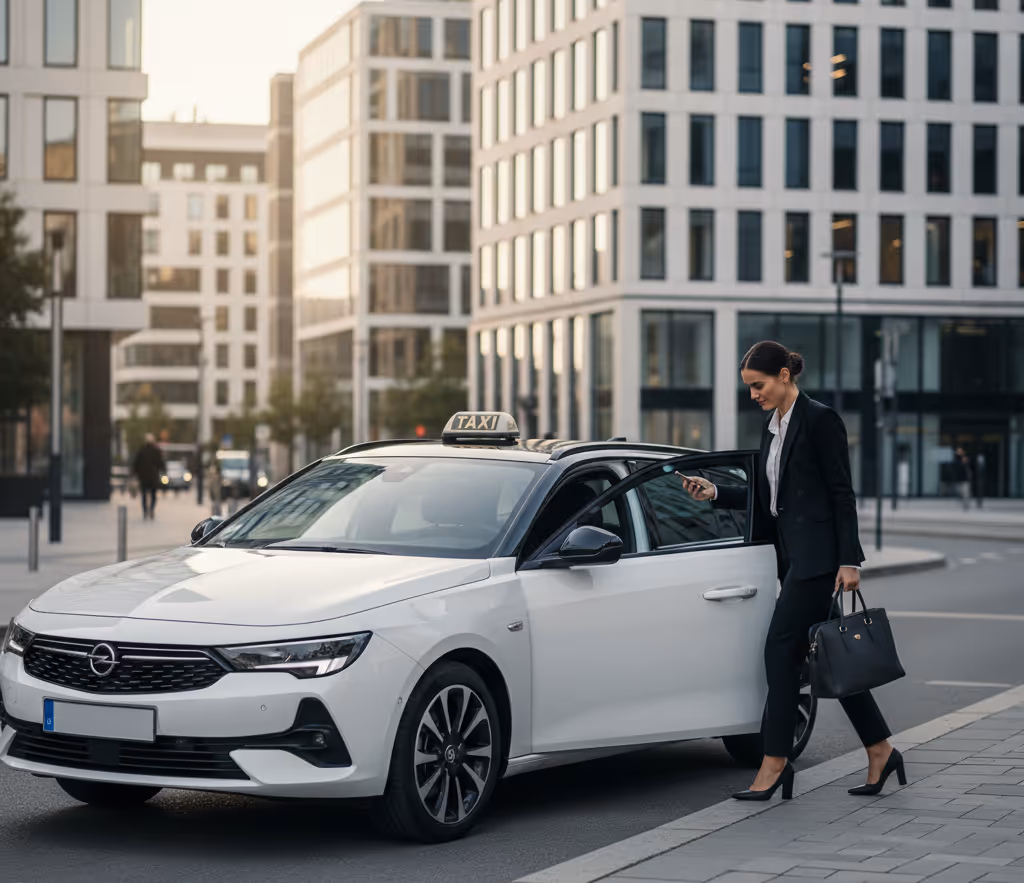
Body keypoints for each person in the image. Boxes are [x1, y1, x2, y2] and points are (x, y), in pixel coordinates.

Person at [680, 341, 904, 802]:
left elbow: (842, 492)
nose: (753, 395)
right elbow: (769, 498)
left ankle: (775, 761)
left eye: (758, 385)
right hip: (791, 558)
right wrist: (716, 493)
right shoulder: (772, 427)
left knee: (779, 652)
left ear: (784, 375)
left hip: (819, 561)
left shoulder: (820, 420)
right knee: (827, 657)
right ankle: (881, 749)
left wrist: (849, 559)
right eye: (748, 388)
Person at [132, 433, 164, 520]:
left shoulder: (141, 450)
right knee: (153, 495)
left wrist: (136, 474)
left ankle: (145, 511)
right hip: (153, 477)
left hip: (143, 477)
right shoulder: (157, 451)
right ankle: (151, 509)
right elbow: (161, 464)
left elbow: (136, 464)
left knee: (144, 495)